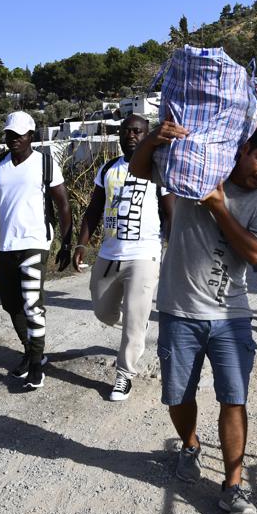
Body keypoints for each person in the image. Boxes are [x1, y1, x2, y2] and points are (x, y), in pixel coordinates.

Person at [128, 120, 257, 514]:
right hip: (178, 311)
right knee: (178, 396)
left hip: (230, 314)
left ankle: (233, 486)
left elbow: (256, 254)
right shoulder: (196, 171)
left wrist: (219, 206)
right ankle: (190, 445)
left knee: (234, 399)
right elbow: (138, 169)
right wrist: (154, 138)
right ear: (245, 147)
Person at [72, 114, 175, 401]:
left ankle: (124, 374)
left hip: (144, 255)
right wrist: (81, 245)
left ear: (147, 136)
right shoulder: (107, 169)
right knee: (102, 311)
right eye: (127, 131)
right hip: (109, 253)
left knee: (133, 319)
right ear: (119, 136)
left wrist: (174, 249)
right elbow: (93, 209)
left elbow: (171, 213)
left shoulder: (158, 170)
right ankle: (135, 324)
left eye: (138, 132)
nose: (131, 135)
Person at [0, 111, 72, 390]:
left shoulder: (45, 164)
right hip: (7, 245)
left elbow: (62, 204)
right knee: (11, 304)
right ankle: (31, 350)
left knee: (32, 304)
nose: (13, 139)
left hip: (36, 242)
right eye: (9, 134)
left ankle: (37, 365)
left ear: (31, 136)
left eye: (19, 134)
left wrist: (68, 240)